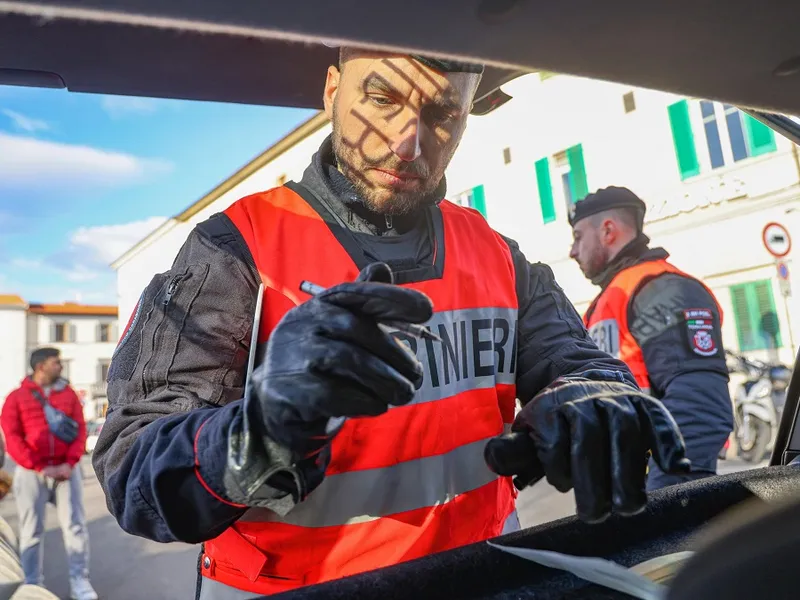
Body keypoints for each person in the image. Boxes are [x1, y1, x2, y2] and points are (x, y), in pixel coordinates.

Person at [93, 48, 689, 598]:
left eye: (442, 114)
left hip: (482, 576)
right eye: (381, 99)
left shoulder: (498, 254)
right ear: (332, 91)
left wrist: (592, 393)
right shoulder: (234, 250)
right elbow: (133, 468)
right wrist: (255, 435)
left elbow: (577, 361)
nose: (408, 143)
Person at [568, 186, 734, 490]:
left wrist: (661, 510)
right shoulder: (611, 298)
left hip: (655, 495)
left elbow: (700, 410)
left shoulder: (664, 291)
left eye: (578, 237)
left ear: (608, 231)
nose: (572, 251)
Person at [0, 348, 97, 600]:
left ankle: (80, 581)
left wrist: (70, 462)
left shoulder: (69, 394)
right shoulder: (16, 398)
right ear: (41, 366)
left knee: (75, 527)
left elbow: (80, 431)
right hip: (32, 472)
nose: (60, 367)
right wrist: (40, 466)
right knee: (31, 530)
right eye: (56, 363)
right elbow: (12, 438)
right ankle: (32, 584)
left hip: (67, 470)